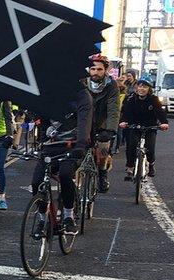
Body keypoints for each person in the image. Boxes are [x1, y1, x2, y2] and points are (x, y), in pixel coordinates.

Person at [29, 78, 93, 236]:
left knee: (65, 175)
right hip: (51, 145)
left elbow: (85, 122)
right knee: (36, 181)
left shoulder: (83, 96)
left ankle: (68, 217)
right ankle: (43, 219)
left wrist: (81, 145)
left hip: (73, 145)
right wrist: (41, 141)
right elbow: (42, 118)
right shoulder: (48, 92)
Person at [118, 77, 169, 180]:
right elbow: (126, 112)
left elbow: (160, 112)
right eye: (140, 86)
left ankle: (151, 164)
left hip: (150, 127)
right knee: (131, 146)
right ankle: (130, 168)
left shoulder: (153, 100)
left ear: (149, 89)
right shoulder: (131, 98)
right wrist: (123, 122)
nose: (141, 89)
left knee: (150, 148)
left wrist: (164, 123)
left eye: (144, 87)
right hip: (134, 126)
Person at [84, 54, 119, 193]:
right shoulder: (82, 82)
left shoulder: (112, 85)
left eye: (99, 69)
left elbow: (113, 108)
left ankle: (103, 174)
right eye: (93, 69)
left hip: (102, 123)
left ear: (105, 70)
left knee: (103, 150)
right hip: (82, 122)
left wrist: (110, 130)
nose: (96, 72)